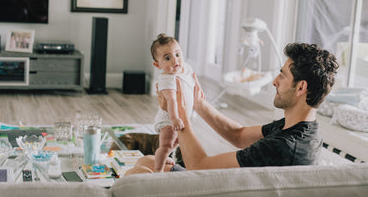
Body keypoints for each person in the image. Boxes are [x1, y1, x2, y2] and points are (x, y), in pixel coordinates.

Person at [125, 42, 338, 174]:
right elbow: (238, 134)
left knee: (135, 176)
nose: (274, 81)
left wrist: (179, 114)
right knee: (146, 160)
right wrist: (197, 102)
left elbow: (199, 167)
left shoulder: (284, 146)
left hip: (212, 187)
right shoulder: (301, 129)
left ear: (301, 87)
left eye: (282, 75)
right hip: (224, 183)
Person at [149, 33, 195, 172]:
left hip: (180, 117)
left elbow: (192, 76)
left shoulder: (184, 68)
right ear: (158, 65)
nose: (175, 60)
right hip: (168, 120)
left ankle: (166, 156)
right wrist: (174, 119)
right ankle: (158, 169)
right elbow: (171, 100)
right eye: (167, 58)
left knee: (177, 142)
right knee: (165, 145)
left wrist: (198, 89)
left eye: (177, 54)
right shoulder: (167, 79)